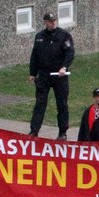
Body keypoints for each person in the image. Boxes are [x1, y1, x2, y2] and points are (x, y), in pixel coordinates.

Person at [28, 12, 75, 140]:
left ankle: (62, 132)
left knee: (62, 104)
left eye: (54, 20)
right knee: (40, 103)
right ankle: (34, 131)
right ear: (45, 22)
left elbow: (70, 53)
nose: (53, 22)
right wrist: (33, 73)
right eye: (50, 21)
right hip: (44, 75)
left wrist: (64, 67)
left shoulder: (64, 35)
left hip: (59, 75)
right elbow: (35, 56)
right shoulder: (39, 37)